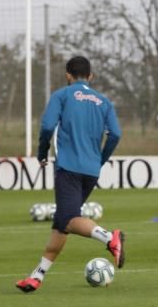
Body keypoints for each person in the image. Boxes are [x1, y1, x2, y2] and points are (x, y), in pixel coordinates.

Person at [16, 55, 125, 293]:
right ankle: (37, 275)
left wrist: (42, 152)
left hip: (68, 168)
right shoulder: (104, 101)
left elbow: (46, 127)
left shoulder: (62, 96)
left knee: (67, 219)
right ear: (91, 76)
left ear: (68, 75)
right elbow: (115, 134)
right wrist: (100, 159)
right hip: (91, 170)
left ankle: (109, 238)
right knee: (62, 225)